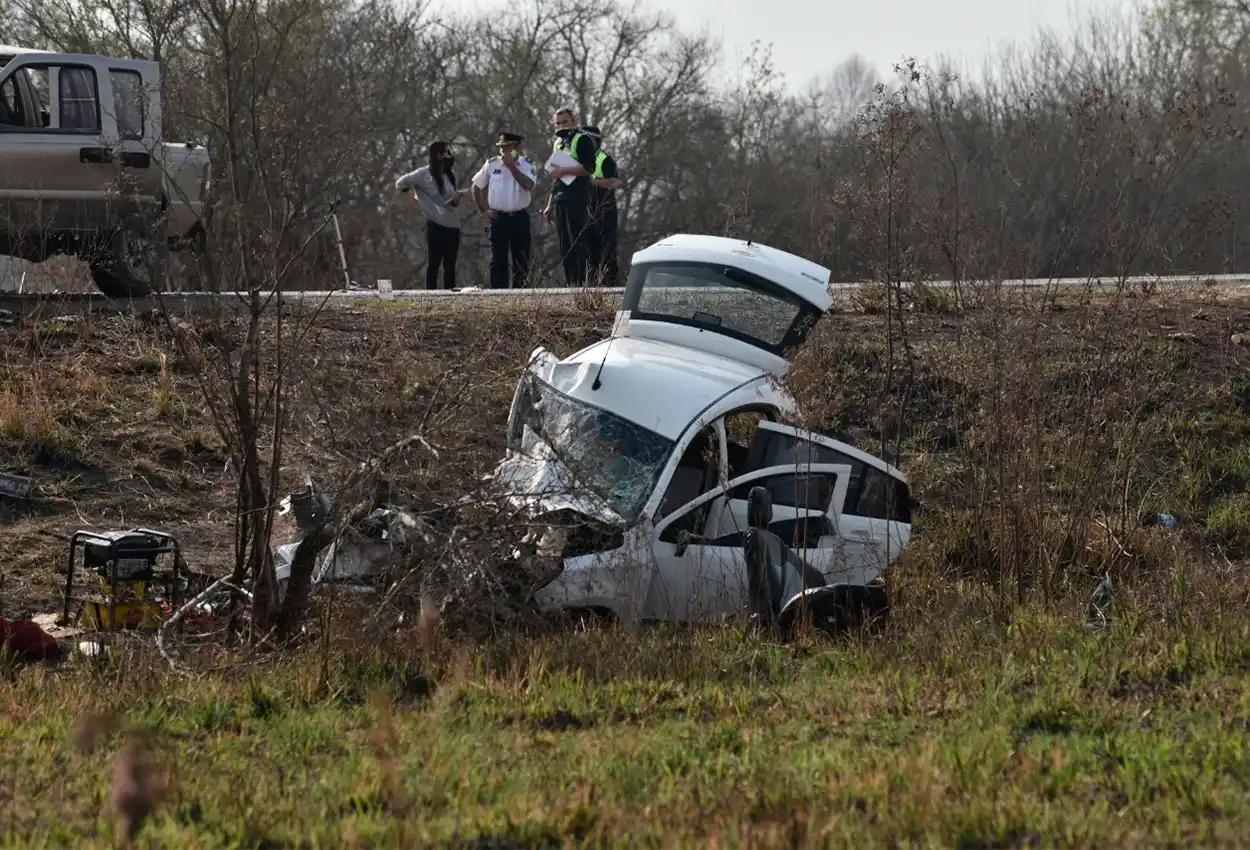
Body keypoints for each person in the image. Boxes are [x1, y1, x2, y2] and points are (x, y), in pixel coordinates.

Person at [471, 131, 537, 289]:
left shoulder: (527, 164)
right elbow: (476, 186)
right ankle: (498, 292)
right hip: (498, 217)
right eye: (501, 147)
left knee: (521, 258)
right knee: (497, 258)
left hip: (519, 217)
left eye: (507, 147)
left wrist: (512, 167)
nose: (503, 151)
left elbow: (529, 185)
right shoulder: (492, 164)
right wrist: (482, 210)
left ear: (516, 148)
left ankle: (520, 293)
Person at [394, 140, 462, 290]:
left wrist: (456, 199)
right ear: (438, 155)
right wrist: (415, 204)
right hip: (435, 224)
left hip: (453, 225)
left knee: (450, 264)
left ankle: (451, 295)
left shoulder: (451, 175)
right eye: (447, 152)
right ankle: (431, 295)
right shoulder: (422, 174)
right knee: (434, 263)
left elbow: (452, 202)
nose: (450, 156)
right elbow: (400, 183)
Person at [542, 108, 598, 287]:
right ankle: (571, 283)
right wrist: (550, 204)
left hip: (577, 196)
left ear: (574, 121)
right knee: (564, 243)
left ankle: (583, 282)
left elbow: (589, 168)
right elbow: (556, 177)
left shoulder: (582, 140)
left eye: (564, 122)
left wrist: (565, 170)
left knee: (577, 240)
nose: (560, 126)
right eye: (557, 123)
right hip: (560, 197)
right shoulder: (558, 143)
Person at [580, 125, 622, 288]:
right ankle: (590, 286)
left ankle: (610, 286)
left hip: (605, 212)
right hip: (586, 212)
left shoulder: (604, 159)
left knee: (607, 250)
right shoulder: (580, 162)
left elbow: (613, 182)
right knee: (589, 252)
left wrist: (591, 181)